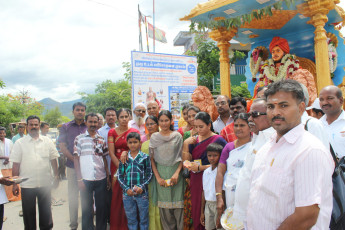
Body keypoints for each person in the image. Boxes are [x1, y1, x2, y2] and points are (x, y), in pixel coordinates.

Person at [247, 79, 334, 229]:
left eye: (283, 105)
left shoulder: (309, 150)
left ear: (301, 108)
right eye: (270, 106)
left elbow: (306, 216)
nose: (276, 112)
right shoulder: (267, 146)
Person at [228, 99, 274, 227]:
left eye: (255, 115)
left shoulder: (274, 141)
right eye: (249, 115)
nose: (250, 119)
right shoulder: (257, 137)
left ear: (270, 115)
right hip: (247, 215)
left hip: (263, 215)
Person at [11, 115, 60, 230]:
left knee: (46, 215)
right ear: (27, 126)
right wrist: (14, 183)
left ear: (39, 126)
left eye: (36, 124)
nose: (33, 126)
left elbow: (53, 159)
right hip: (27, 185)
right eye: (31, 124)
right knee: (28, 216)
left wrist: (56, 176)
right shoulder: (19, 143)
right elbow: (16, 165)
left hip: (45, 184)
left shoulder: (47, 141)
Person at [184, 112, 227, 230]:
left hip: (213, 178)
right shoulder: (193, 140)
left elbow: (224, 163)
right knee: (197, 207)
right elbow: (187, 161)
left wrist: (201, 168)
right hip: (195, 179)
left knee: (210, 206)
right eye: (195, 127)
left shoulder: (218, 140)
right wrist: (186, 144)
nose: (198, 130)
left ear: (209, 125)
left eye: (201, 126)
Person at [73, 113, 110, 230]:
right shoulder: (79, 139)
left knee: (101, 208)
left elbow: (104, 158)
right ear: (86, 122)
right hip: (85, 179)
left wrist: (108, 176)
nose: (93, 124)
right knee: (87, 209)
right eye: (91, 122)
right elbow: (76, 159)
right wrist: (79, 179)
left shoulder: (101, 139)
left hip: (101, 178)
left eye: (95, 122)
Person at [149, 110, 184, 230]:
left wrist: (177, 173)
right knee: (165, 211)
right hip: (161, 174)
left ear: (171, 121)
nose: (164, 123)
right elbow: (152, 160)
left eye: (166, 120)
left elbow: (181, 157)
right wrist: (158, 177)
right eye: (161, 121)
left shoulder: (177, 136)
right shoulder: (154, 137)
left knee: (179, 208)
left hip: (176, 174)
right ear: (158, 122)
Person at [108, 108, 140, 230]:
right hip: (117, 167)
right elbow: (111, 153)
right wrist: (122, 169)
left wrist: (129, 168)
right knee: (117, 196)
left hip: (132, 166)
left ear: (130, 117)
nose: (124, 119)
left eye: (126, 116)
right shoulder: (112, 132)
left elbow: (137, 150)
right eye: (121, 117)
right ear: (117, 118)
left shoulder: (134, 131)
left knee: (131, 196)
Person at [58, 102, 87, 230]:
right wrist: (75, 160)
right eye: (77, 110)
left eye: (82, 110)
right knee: (73, 196)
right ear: (73, 111)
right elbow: (62, 146)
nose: (80, 112)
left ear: (85, 112)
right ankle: (74, 224)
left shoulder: (90, 125)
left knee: (87, 196)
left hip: (87, 168)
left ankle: (87, 223)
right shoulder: (66, 127)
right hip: (71, 166)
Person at [118, 132, 153, 230]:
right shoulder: (124, 158)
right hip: (127, 195)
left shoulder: (145, 157)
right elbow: (120, 176)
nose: (133, 144)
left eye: (135, 142)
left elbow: (149, 174)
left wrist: (142, 187)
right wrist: (126, 189)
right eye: (130, 142)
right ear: (127, 144)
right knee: (131, 220)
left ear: (140, 143)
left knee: (144, 219)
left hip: (142, 194)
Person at [98, 107, 117, 223]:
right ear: (105, 117)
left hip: (120, 169)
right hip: (106, 169)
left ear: (116, 117)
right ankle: (110, 220)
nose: (110, 117)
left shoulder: (121, 129)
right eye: (108, 115)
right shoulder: (100, 132)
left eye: (113, 115)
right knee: (108, 198)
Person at [200, 143, 223, 230]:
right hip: (208, 204)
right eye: (209, 155)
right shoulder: (206, 172)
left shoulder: (221, 172)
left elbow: (222, 191)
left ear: (220, 156)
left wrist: (221, 211)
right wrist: (202, 212)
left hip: (218, 205)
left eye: (215, 155)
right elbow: (204, 191)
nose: (212, 158)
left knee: (219, 227)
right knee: (209, 228)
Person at [319, 85, 345, 158]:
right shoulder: (317, 125)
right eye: (321, 99)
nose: (324, 103)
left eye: (329, 98)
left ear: (341, 100)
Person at [0, 127, 20, 202]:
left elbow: (14, 152)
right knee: (4, 182)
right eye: (0, 133)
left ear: (5, 133)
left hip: (10, 164)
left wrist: (8, 158)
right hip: (1, 166)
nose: (2, 135)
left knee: (12, 180)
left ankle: (13, 196)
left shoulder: (9, 141)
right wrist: (4, 157)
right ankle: (5, 198)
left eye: (3, 133)